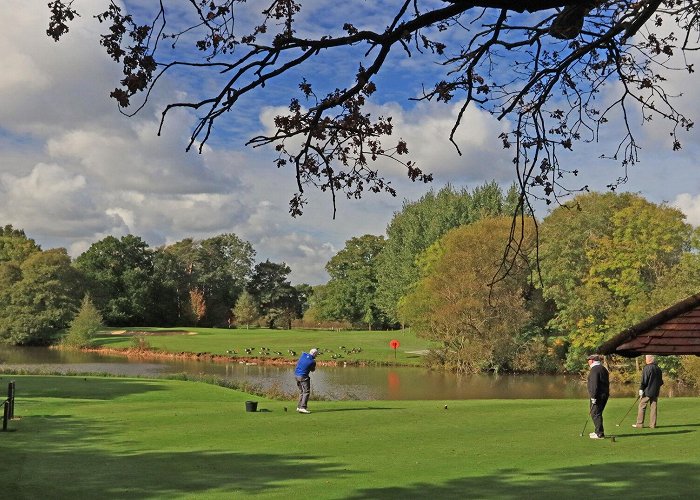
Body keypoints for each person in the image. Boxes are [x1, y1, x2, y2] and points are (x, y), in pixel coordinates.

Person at [633, 354, 664, 429]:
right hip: (655, 391)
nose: (645, 360)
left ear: (649, 359)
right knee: (653, 408)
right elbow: (661, 382)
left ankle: (639, 424)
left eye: (646, 359)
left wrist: (641, 389)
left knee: (642, 406)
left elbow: (644, 381)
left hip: (647, 391)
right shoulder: (658, 368)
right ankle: (652, 425)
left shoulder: (647, 368)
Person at [587, 354, 609, 439]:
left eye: (588, 360)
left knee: (595, 413)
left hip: (598, 395)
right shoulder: (603, 368)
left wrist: (593, 396)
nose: (588, 362)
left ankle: (599, 434)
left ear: (592, 361)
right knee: (597, 413)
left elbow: (594, 384)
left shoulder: (594, 370)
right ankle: (597, 431)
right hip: (604, 394)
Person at [294, 348, 318, 414]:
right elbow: (312, 370)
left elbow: (304, 352)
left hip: (296, 375)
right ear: (314, 354)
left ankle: (299, 407)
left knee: (302, 392)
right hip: (303, 377)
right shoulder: (312, 361)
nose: (317, 356)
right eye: (316, 354)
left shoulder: (303, 355)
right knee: (306, 392)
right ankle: (303, 407)